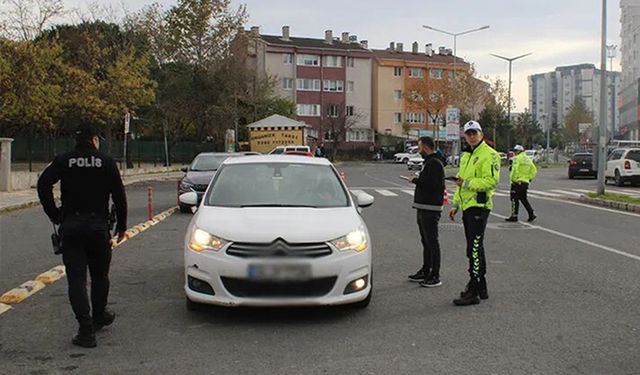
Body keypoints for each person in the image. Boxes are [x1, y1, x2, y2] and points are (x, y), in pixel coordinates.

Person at [37, 123, 127, 348]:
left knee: (76, 279)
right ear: (94, 140)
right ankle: (98, 316)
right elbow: (119, 194)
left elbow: (43, 184)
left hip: (71, 226)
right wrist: (122, 226)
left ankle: (85, 330)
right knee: (100, 275)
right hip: (98, 226)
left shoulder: (65, 160)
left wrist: (55, 214)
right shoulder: (106, 162)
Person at [449, 121, 500, 306]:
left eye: (474, 133)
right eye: (468, 133)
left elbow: (491, 181)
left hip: (479, 206)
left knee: (475, 249)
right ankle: (480, 286)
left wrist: (467, 183)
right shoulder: (466, 155)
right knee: (473, 248)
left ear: (481, 133)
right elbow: (460, 181)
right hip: (468, 206)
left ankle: (475, 290)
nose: (471, 136)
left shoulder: (489, 155)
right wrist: (455, 204)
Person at [407, 136, 445, 287]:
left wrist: (415, 180)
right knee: (425, 241)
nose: (418, 149)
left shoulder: (434, 163)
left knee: (432, 241)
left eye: (419, 146)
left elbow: (433, 185)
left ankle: (435, 274)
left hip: (431, 207)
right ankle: (425, 269)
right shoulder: (429, 162)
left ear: (426, 147)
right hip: (423, 206)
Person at [506, 145, 537, 222]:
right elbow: (534, 170)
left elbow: (514, 169)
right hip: (525, 182)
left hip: (517, 182)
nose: (515, 152)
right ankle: (531, 214)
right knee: (523, 199)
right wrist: (529, 179)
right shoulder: (528, 159)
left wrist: (513, 179)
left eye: (515, 151)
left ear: (519, 151)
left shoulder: (517, 158)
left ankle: (514, 216)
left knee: (514, 199)